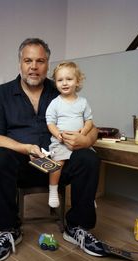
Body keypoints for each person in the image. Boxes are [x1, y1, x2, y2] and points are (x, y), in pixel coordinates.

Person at [0, 37, 106, 261]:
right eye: (28, 60)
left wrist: (85, 140)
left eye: (40, 61)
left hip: (60, 163)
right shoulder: (0, 93)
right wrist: (24, 148)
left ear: (47, 65)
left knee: (88, 158)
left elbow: (94, 129)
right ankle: (9, 230)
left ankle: (77, 227)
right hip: (21, 164)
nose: (33, 66)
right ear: (19, 63)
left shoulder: (61, 87)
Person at [46, 62, 93, 208]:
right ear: (56, 83)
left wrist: (83, 134)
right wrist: (58, 134)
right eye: (60, 80)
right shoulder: (55, 103)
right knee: (57, 164)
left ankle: (89, 196)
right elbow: (50, 123)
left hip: (79, 142)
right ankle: (53, 190)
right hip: (61, 142)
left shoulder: (83, 102)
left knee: (90, 163)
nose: (64, 83)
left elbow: (89, 121)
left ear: (77, 81)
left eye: (69, 79)